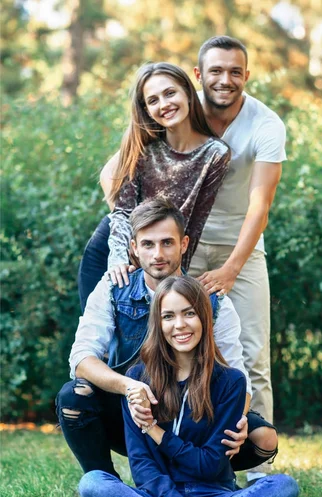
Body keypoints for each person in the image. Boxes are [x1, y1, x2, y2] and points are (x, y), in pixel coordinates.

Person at [100, 37, 287, 484]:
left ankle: (253, 465)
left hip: (241, 246)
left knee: (250, 352)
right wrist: (136, 237)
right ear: (199, 77)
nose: (226, 79)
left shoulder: (265, 124)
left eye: (235, 71)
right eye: (216, 71)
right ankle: (167, 453)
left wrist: (231, 269)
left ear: (247, 74)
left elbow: (259, 207)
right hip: (182, 241)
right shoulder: (175, 104)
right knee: (168, 338)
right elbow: (115, 171)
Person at [79, 276, 299, 497]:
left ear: (204, 318)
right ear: (158, 324)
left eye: (189, 313)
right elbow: (143, 467)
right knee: (93, 483)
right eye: (168, 316)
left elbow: (209, 464)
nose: (179, 325)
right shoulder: (137, 380)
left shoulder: (230, 382)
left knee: (282, 487)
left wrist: (155, 431)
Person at [56, 200, 278, 480]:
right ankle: (106, 486)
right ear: (134, 249)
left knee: (264, 439)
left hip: (196, 414)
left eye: (167, 243)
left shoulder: (214, 301)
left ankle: (194, 476)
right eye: (148, 244)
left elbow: (237, 373)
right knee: (74, 397)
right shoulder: (113, 289)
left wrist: (239, 418)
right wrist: (129, 387)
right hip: (132, 412)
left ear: (184, 244)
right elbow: (81, 359)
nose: (157, 254)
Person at [78, 61, 230, 311]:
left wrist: (176, 277)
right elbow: (123, 212)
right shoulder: (143, 147)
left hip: (159, 256)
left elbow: (193, 223)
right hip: (115, 252)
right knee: (103, 344)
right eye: (153, 100)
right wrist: (119, 261)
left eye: (170, 93)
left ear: (188, 93)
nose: (165, 104)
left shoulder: (215, 154)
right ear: (147, 109)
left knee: (156, 344)